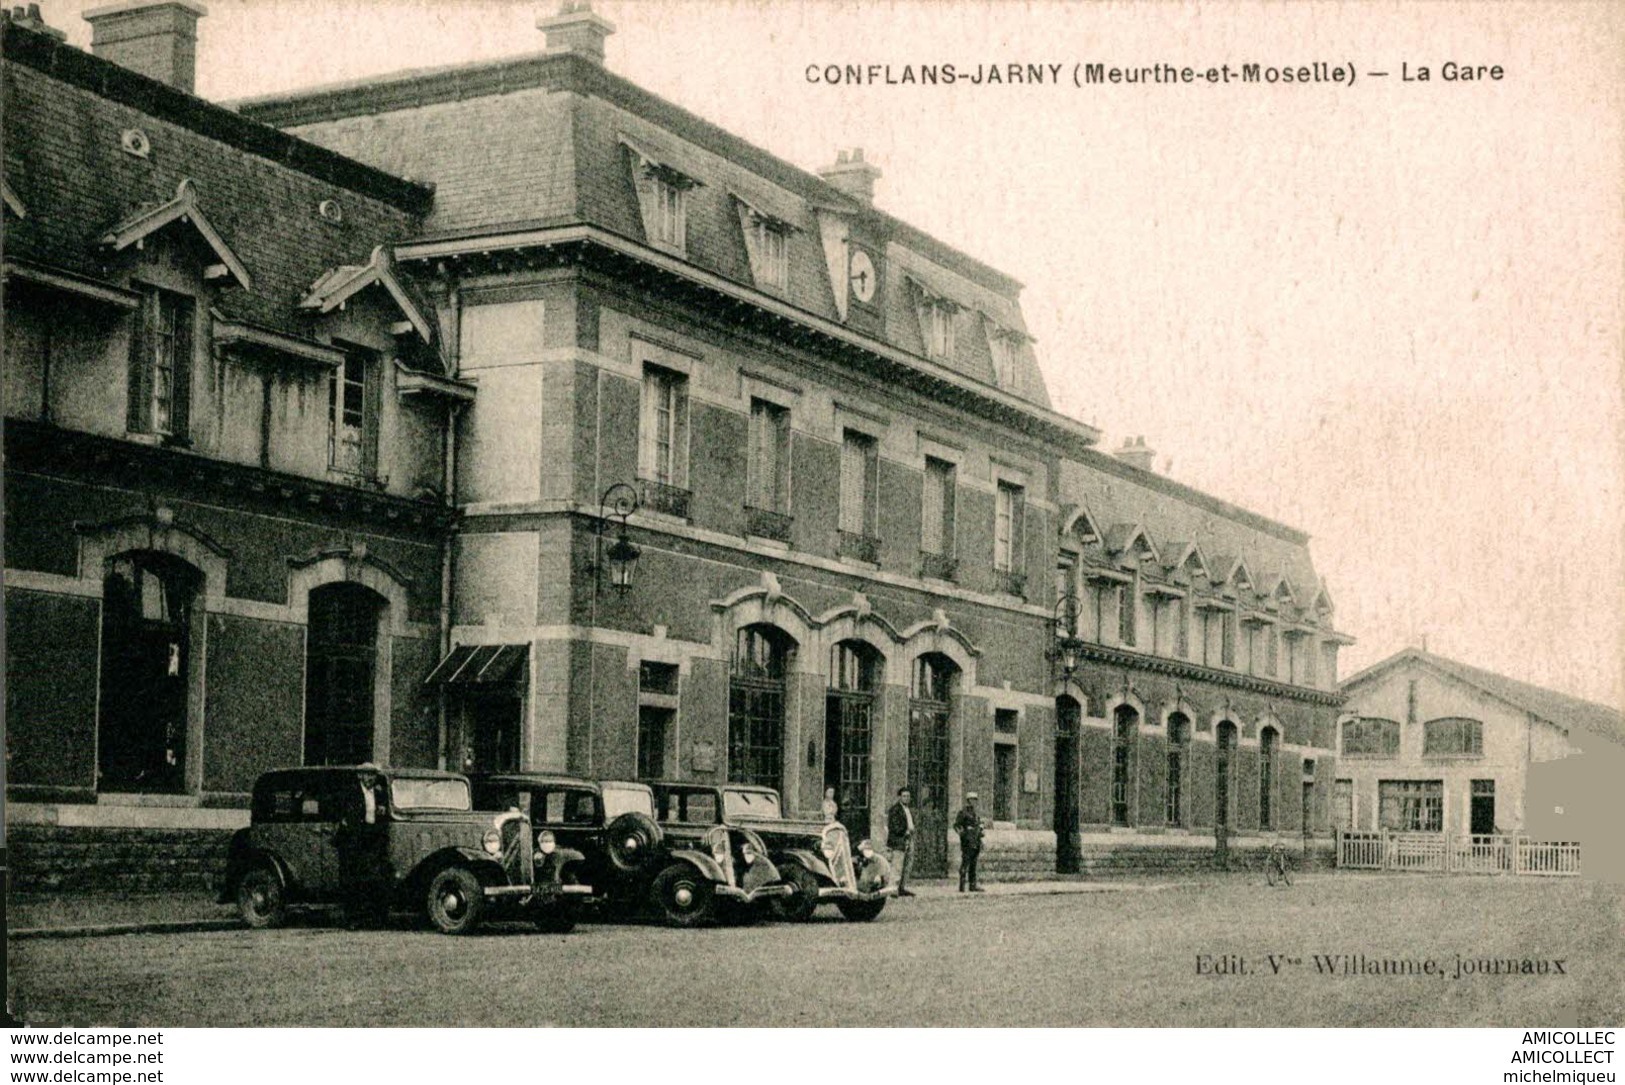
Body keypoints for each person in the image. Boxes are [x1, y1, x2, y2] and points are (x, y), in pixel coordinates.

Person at [953, 791, 986, 892]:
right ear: (968, 800)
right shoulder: (963, 812)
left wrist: (981, 832)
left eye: (975, 800)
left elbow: (979, 827)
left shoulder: (975, 814)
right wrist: (963, 833)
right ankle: (962, 885)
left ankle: (972, 885)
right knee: (965, 862)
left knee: (973, 864)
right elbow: (956, 825)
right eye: (972, 800)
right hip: (967, 842)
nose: (974, 802)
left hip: (975, 841)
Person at [886, 786, 916, 896]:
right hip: (898, 840)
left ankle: (902, 887)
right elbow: (894, 826)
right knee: (897, 865)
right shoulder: (895, 810)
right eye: (904, 796)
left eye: (908, 796)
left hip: (909, 839)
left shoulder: (908, 810)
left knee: (907, 865)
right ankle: (893, 889)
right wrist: (905, 831)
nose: (906, 798)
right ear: (899, 797)